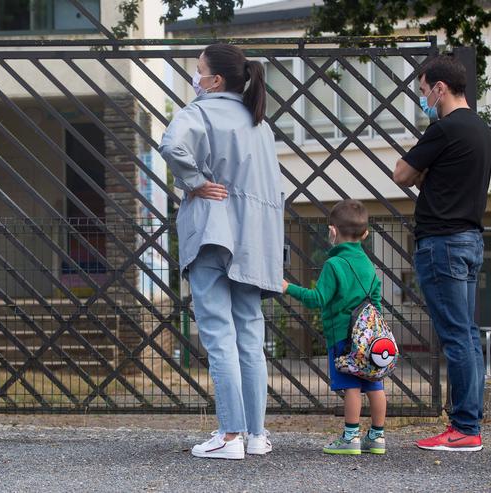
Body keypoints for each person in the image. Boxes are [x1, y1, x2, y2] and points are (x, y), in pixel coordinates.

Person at [159, 44, 284, 460]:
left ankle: (229, 436)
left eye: (198, 71)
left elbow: (172, 145)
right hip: (253, 241)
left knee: (218, 336)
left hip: (212, 234)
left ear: (215, 80)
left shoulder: (199, 112)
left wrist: (194, 181)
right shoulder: (260, 124)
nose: (195, 78)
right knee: (250, 335)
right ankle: (256, 435)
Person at [393, 55, 491, 452]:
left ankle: (464, 428)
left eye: (422, 91)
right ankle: (470, 424)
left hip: (442, 243)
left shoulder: (445, 129)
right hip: (469, 239)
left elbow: (402, 173)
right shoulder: (481, 130)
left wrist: (422, 170)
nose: (422, 99)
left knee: (455, 338)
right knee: (467, 336)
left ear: (439, 87)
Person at [284, 200, 387, 455]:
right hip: (371, 338)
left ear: (332, 231)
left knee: (351, 387)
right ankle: (377, 437)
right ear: (365, 234)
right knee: (375, 385)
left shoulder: (333, 265)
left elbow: (317, 298)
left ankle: (350, 437)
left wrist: (288, 287)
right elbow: (375, 302)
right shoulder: (367, 264)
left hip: (343, 337)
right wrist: (373, 333)